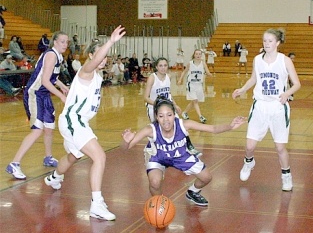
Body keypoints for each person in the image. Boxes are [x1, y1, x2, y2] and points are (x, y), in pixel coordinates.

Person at [44, 25, 126, 221]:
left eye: (105, 57)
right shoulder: (85, 71)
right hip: (74, 121)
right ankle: (96, 205)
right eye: (99, 55)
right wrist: (111, 42)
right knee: (99, 157)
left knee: (73, 156)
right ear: (90, 56)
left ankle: (54, 178)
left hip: (77, 122)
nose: (103, 59)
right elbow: (96, 60)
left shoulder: (97, 77)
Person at [122, 96, 246, 206]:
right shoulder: (150, 129)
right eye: (161, 116)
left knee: (207, 177)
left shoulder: (184, 124)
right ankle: (159, 203)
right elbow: (125, 148)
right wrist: (126, 141)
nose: (166, 120)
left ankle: (192, 191)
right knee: (155, 182)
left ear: (174, 114)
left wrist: (230, 126)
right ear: (156, 116)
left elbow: (212, 128)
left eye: (169, 115)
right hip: (157, 156)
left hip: (180, 155)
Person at [232, 28, 301, 191]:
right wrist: (242, 89)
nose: (267, 43)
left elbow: (297, 84)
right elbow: (254, 79)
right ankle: (249, 162)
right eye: (264, 40)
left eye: (270, 41)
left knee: (280, 147)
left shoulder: (284, 61)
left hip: (278, 106)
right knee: (249, 146)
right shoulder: (257, 59)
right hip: (260, 105)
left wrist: (287, 93)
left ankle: (286, 175)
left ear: (277, 43)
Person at [6, 31, 70, 180]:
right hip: (35, 94)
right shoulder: (51, 55)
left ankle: (48, 157)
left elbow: (51, 77)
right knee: (37, 130)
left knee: (49, 128)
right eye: (62, 41)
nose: (65, 45)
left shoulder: (57, 56)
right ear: (55, 42)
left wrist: (62, 86)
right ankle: (14, 163)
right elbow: (45, 81)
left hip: (44, 94)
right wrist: (61, 95)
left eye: (67, 42)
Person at [144, 57, 201, 156]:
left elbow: (168, 93)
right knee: (157, 130)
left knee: (179, 125)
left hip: (167, 108)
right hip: (154, 108)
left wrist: (174, 104)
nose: (163, 68)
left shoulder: (169, 77)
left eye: (165, 65)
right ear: (156, 67)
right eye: (160, 66)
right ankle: (150, 146)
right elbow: (145, 97)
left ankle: (189, 146)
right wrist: (158, 104)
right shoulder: (152, 78)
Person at [178, 49, 213, 124]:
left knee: (193, 101)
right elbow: (184, 71)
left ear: (201, 55)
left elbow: (207, 72)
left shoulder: (203, 63)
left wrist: (210, 75)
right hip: (191, 84)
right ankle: (201, 116)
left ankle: (184, 112)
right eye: (196, 54)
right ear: (194, 55)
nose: (198, 55)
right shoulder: (190, 63)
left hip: (199, 85)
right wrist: (180, 79)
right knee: (195, 101)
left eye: (199, 54)